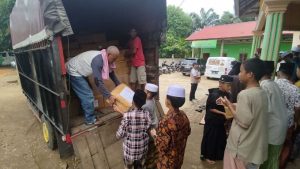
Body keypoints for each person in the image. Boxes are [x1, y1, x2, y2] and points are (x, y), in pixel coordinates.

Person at [221, 58, 268, 169]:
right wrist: (233, 105)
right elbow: (253, 111)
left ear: (250, 74)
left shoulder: (244, 94)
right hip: (254, 147)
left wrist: (229, 107)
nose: (239, 74)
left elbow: (243, 121)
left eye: (241, 71)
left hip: (241, 148)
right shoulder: (262, 92)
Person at [66, 46, 120, 125]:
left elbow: (111, 73)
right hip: (74, 70)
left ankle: (87, 112)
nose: (114, 61)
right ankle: (90, 120)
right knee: (88, 95)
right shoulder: (98, 61)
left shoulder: (105, 58)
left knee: (87, 92)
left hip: (80, 70)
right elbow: (98, 82)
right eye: (114, 59)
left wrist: (119, 85)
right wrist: (109, 96)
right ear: (108, 55)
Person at [150, 85, 191, 169]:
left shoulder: (166, 121)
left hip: (167, 162)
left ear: (168, 101)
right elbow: (188, 131)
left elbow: (162, 146)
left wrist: (154, 134)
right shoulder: (183, 115)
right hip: (179, 157)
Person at [259, 61, 288, 169]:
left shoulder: (264, 86)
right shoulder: (273, 84)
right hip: (279, 126)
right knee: (273, 158)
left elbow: (263, 111)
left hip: (273, 129)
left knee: (268, 160)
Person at [200, 75, 233, 164]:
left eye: (230, 85)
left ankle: (218, 155)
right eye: (228, 85)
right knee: (211, 139)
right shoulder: (214, 95)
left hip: (221, 121)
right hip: (212, 121)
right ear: (221, 84)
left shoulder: (228, 94)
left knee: (220, 139)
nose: (230, 87)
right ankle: (208, 156)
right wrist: (223, 113)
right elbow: (211, 109)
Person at [116, 89, 151, 169]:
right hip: (142, 150)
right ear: (144, 102)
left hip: (130, 153)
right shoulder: (147, 115)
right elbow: (147, 128)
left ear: (133, 100)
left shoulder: (127, 116)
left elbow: (119, 135)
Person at [275, 62, 300, 168]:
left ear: (279, 73)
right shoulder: (295, 89)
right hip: (287, 123)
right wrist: (296, 121)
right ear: (291, 74)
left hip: (271, 122)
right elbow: (297, 108)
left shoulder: (271, 85)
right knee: (285, 146)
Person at [142, 83, 159, 169]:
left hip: (150, 126)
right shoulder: (152, 100)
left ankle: (149, 162)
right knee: (152, 143)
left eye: (145, 91)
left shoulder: (145, 105)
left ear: (148, 94)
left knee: (149, 144)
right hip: (154, 123)